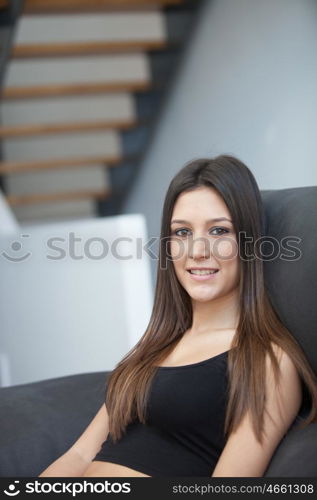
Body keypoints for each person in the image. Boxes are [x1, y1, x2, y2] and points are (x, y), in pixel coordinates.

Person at [39, 154, 317, 477]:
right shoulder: (156, 344)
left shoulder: (267, 360)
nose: (198, 251)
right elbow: (80, 453)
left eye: (219, 231)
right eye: (182, 233)